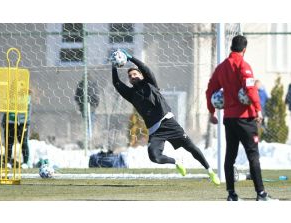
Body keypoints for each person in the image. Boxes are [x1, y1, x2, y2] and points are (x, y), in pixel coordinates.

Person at [111, 49, 220, 185]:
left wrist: (130, 58)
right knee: (154, 157)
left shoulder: (150, 83)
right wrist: (113, 66)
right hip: (154, 131)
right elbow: (116, 84)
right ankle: (177, 162)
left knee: (191, 147)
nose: (133, 76)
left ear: (141, 75)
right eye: (130, 76)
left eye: (135, 74)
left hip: (168, 123)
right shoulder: (131, 95)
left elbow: (145, 68)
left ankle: (210, 171)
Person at [206, 35, 277, 201]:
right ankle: (261, 194)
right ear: (244, 49)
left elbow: (210, 90)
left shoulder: (221, 68)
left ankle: (231, 194)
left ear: (231, 47)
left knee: (230, 156)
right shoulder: (244, 65)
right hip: (245, 119)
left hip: (229, 119)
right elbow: (250, 89)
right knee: (253, 155)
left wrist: (211, 111)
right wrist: (258, 110)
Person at [2, 89, 32, 169]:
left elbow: (28, 110)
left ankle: (25, 162)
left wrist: (27, 122)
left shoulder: (26, 96)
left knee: (23, 142)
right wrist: (4, 121)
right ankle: (7, 162)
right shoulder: (10, 95)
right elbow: (6, 110)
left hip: (22, 122)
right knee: (9, 143)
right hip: (10, 122)